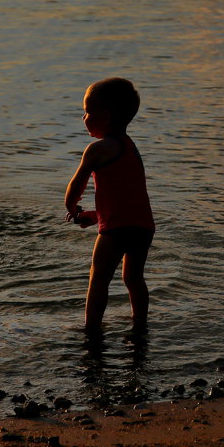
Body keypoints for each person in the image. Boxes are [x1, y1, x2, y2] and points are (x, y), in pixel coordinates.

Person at [64, 77, 155, 332]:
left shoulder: (96, 150)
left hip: (116, 229)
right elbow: (126, 195)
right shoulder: (130, 147)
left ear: (104, 116)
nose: (83, 117)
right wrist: (95, 215)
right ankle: (140, 324)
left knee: (99, 277)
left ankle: (91, 328)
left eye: (87, 111)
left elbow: (76, 185)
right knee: (133, 278)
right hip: (142, 227)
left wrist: (72, 207)